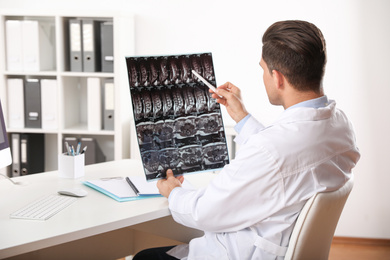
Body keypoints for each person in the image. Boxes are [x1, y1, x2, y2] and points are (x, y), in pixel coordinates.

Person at [133, 20, 360, 260]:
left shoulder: (272, 149)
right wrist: (242, 117)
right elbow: (288, 158)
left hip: (240, 254)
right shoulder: (341, 127)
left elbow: (204, 212)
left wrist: (174, 192)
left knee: (144, 257)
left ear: (277, 78)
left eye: (262, 69)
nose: (263, 76)